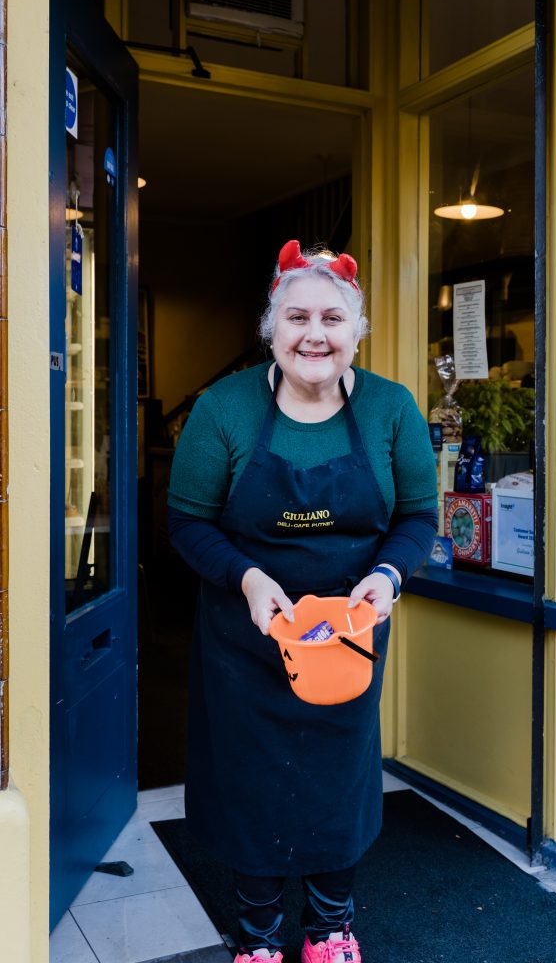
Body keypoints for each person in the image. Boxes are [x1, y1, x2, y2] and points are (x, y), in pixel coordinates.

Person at [167, 240, 438, 963]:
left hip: (346, 638)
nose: (314, 335)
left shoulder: (390, 408)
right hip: (247, 639)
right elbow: (187, 522)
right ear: (270, 328)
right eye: (296, 317)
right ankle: (257, 935)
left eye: (331, 318)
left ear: (357, 331)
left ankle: (330, 928)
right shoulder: (223, 408)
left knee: (337, 781)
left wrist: (390, 574)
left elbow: (419, 515)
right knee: (250, 783)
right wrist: (248, 579)